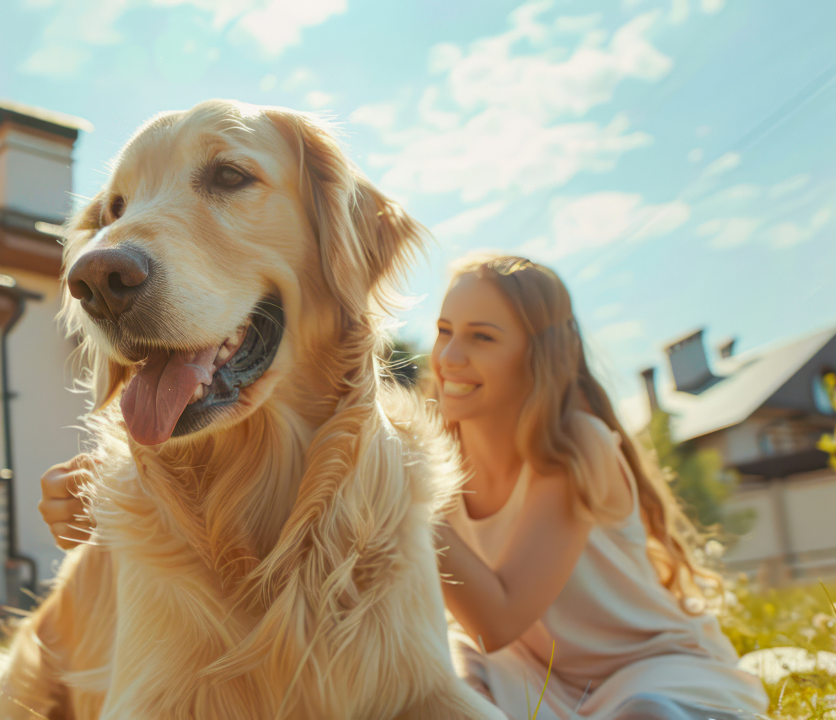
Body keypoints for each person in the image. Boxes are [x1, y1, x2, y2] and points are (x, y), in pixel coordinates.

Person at [38, 253, 768, 719]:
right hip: (530, 680)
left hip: (639, 669)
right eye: (446, 329)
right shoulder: (439, 446)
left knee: (644, 713)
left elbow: (501, 615)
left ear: (542, 356)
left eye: (483, 337)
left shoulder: (577, 443)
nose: (448, 356)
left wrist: (389, 481)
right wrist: (109, 488)